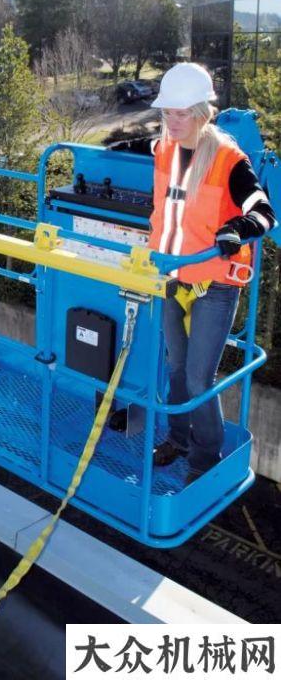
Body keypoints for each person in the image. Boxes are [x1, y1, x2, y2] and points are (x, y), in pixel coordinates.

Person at [110, 63, 275, 481]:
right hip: (171, 278)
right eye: (168, 113)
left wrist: (238, 229)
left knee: (199, 380)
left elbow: (263, 210)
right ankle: (177, 440)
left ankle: (204, 461)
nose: (173, 122)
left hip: (215, 286)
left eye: (182, 114)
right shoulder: (164, 148)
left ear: (204, 112)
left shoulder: (229, 159)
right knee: (175, 371)